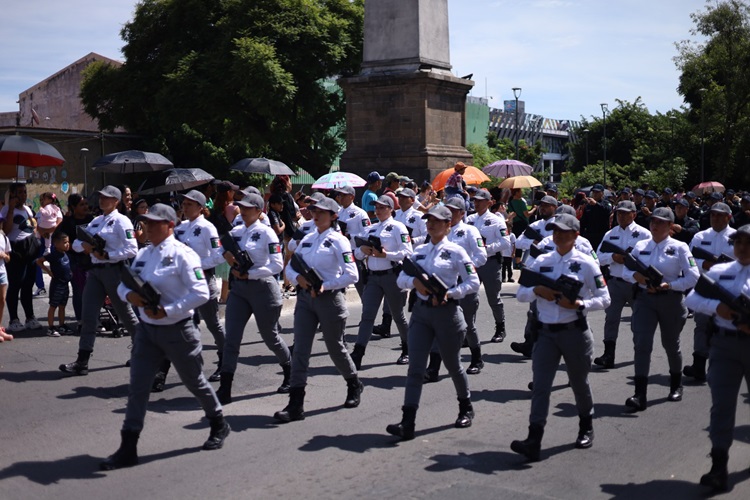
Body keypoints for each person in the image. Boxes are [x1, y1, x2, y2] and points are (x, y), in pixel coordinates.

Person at [100, 203, 229, 471]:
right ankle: (128, 446)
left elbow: (201, 293)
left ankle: (218, 422)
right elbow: (125, 284)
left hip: (178, 330)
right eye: (145, 223)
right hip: (147, 331)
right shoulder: (144, 254)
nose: (146, 227)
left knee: (195, 382)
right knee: (138, 387)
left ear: (170, 225)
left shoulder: (184, 255)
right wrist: (129, 296)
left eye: (153, 223)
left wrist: (167, 310)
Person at [511, 214, 611, 461]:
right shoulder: (542, 260)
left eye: (565, 232)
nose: (559, 235)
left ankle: (586, 425)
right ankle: (534, 439)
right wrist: (537, 290)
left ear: (576, 234)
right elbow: (521, 294)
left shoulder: (587, 263)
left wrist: (579, 304)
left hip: (574, 332)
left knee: (579, 383)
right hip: (545, 333)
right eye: (555, 231)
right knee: (541, 387)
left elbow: (605, 298)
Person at [386, 205, 480, 440]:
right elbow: (401, 277)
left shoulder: (457, 252)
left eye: (437, 221)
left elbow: (473, 282)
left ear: (448, 225)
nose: (431, 224)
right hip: (421, 314)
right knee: (415, 368)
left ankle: (465, 406)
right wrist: (413, 283)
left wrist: (451, 293)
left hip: (447, 314)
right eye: (429, 220)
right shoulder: (419, 251)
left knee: (453, 365)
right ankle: (408, 421)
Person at [273, 196, 363, 423]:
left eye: (322, 211)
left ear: (334, 216)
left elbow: (352, 274)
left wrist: (326, 285)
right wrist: (298, 281)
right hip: (305, 300)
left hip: (329, 300)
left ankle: (353, 382)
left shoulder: (339, 241)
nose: (316, 214)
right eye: (314, 210)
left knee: (335, 348)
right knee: (301, 350)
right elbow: (291, 268)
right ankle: (296, 404)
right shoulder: (307, 238)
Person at [684, 224, 750, 493]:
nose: (742, 248)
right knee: (721, 406)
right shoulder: (720, 272)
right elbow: (692, 298)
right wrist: (717, 308)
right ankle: (718, 466)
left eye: (748, 243)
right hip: (724, 346)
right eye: (738, 243)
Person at [215, 193, 291, 404]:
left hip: (263, 289)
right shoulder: (235, 232)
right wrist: (227, 257)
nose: (244, 210)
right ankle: (225, 387)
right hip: (239, 289)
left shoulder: (267, 233)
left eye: (249, 207)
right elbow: (219, 252)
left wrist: (251, 273)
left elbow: (277, 265)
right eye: (242, 206)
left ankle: (289, 368)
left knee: (270, 337)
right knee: (232, 338)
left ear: (259, 211)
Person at [621, 207, 699, 411]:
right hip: (645, 300)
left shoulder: (680, 247)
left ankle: (676, 384)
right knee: (642, 344)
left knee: (671, 344)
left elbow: (693, 276)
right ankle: (640, 394)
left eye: (661, 222)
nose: (655, 225)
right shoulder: (640, 245)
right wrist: (635, 277)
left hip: (670, 300)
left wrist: (670, 285)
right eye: (653, 221)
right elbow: (626, 269)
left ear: (671, 226)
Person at [59, 185, 140, 376]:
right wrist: (86, 246)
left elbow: (132, 249)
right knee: (88, 316)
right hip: (95, 272)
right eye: (101, 197)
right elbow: (77, 243)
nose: (102, 200)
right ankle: (82, 361)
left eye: (107, 198)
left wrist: (107, 254)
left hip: (114, 271)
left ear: (116, 201)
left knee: (126, 315)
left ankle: (144, 351)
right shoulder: (96, 221)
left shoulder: (122, 221)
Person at [153, 190, 227, 390]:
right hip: (180, 284)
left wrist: (196, 264)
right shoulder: (180, 227)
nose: (185, 208)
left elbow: (219, 255)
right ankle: (162, 372)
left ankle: (225, 361)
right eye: (184, 204)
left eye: (190, 204)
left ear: (201, 207)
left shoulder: (207, 228)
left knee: (213, 324)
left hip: (202, 280)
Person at [351, 195, 413, 369]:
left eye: (382, 207)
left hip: (392, 275)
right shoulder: (371, 229)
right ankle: (358, 353)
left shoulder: (398, 227)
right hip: (372, 277)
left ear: (391, 209)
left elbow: (407, 252)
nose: (377, 211)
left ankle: (408, 348)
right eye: (376, 208)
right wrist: (363, 250)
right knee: (367, 316)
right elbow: (356, 254)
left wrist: (386, 255)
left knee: (398, 315)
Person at [594, 200, 652, 368]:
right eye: (620, 213)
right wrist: (613, 257)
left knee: (638, 321)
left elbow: (650, 258)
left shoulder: (644, 234)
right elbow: (598, 257)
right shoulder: (610, 234)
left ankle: (640, 352)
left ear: (634, 214)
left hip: (636, 283)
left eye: (626, 213)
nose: (622, 216)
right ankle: (608, 354)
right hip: (615, 282)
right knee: (611, 318)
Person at [683, 202, 735, 383]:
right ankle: (699, 364)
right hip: (705, 288)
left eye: (720, 215)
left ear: (728, 217)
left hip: (731, 290)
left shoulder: (738, 237)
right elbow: (688, 259)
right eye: (713, 215)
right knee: (702, 326)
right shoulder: (700, 236)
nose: (715, 218)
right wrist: (705, 264)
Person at [468, 188, 511, 344]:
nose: (477, 203)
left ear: (489, 202)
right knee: (470, 298)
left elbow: (506, 242)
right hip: (472, 263)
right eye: (475, 200)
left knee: (493, 298)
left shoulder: (496, 220)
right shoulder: (470, 219)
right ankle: (469, 331)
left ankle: (500, 327)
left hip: (490, 262)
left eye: (480, 200)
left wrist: (486, 249)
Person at [1, 183, 42, 332]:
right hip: (16, 251)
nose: (23, 195)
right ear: (12, 194)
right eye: (19, 192)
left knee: (28, 285)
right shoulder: (6, 209)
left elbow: (33, 225)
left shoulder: (27, 209)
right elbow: (6, 229)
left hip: (30, 251)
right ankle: (14, 319)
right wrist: (11, 208)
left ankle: (30, 317)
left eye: (24, 192)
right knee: (15, 285)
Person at [58, 194, 93, 329]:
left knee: (93, 291)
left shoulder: (92, 220)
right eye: (81, 204)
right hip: (75, 262)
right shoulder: (67, 223)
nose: (85, 207)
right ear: (73, 207)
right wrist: (77, 247)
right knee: (79, 291)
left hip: (92, 260)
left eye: (86, 204)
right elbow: (60, 240)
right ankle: (80, 321)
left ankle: (94, 319)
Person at [333, 186, 371, 299]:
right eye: (339, 195)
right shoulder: (337, 212)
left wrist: (350, 236)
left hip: (354, 254)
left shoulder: (360, 213)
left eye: (344, 195)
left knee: (363, 290)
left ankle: (367, 314)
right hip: (339, 255)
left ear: (351, 197)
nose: (341, 197)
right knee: (337, 290)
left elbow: (366, 234)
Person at [35, 231, 72, 337]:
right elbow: (39, 261)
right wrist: (48, 271)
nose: (67, 244)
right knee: (53, 306)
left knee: (62, 306)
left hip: (65, 284)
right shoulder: (53, 255)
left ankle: (62, 325)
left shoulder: (65, 254)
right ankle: (51, 327)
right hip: (57, 284)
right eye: (64, 242)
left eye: (68, 242)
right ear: (56, 244)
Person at [579, 184, 611, 251]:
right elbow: (583, 221)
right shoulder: (588, 205)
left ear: (602, 193)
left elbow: (608, 210)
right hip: (590, 235)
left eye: (597, 192)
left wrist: (596, 204)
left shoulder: (606, 203)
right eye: (594, 192)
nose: (595, 194)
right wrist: (581, 234)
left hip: (601, 235)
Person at [0, 229, 11, 342]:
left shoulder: (4, 237)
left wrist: (4, 256)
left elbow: (8, 258)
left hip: (2, 272)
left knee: (2, 300)